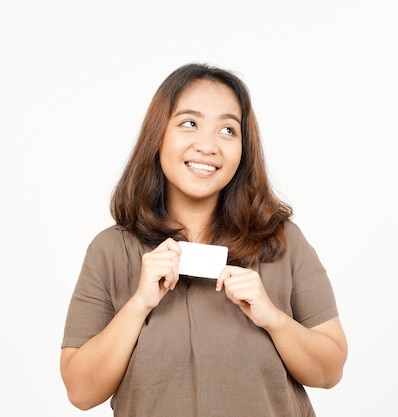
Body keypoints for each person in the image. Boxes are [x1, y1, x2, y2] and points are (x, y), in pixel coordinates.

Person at [60, 63, 348, 417]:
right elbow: (81, 392)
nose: (208, 145)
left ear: (243, 148)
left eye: (228, 130)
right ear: (158, 134)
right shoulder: (111, 250)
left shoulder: (282, 242)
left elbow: (330, 370)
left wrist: (272, 317)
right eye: (189, 123)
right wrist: (138, 305)